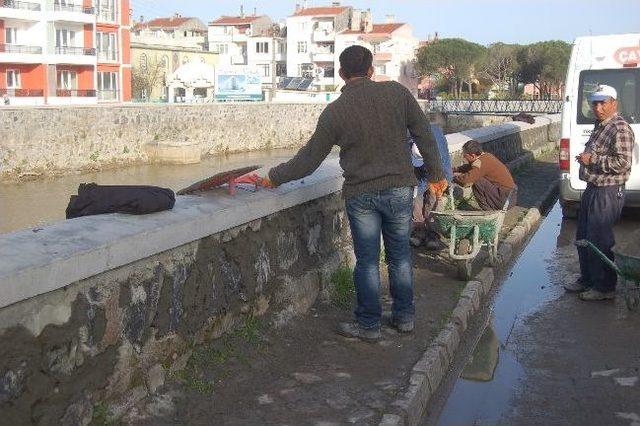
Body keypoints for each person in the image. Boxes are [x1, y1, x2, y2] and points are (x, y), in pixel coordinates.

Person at [260, 45, 448, 342]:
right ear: (372, 70)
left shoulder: (335, 112)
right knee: (399, 256)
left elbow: (309, 160)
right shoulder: (398, 94)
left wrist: (273, 177)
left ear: (341, 74)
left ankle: (369, 325)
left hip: (361, 194)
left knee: (368, 261)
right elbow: (425, 134)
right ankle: (404, 317)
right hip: (400, 189)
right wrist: (437, 177)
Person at [563, 84, 635, 301]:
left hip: (608, 191)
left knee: (599, 238)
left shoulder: (619, 128)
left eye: (603, 102)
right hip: (593, 188)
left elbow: (623, 163)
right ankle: (587, 279)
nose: (598, 107)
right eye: (595, 103)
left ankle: (605, 287)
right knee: (584, 236)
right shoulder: (601, 125)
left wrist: (592, 159)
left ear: (614, 103)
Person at [452, 140, 517, 211]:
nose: (464, 157)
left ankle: (489, 211)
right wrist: (457, 169)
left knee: (476, 180)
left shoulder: (481, 163)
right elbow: (471, 167)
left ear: (472, 155)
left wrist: (453, 178)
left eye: (465, 155)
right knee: (476, 176)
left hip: (505, 199)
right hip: (510, 197)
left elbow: (466, 180)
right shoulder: (486, 156)